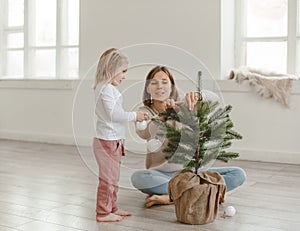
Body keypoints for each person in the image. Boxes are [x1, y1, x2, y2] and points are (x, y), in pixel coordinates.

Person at [131, 65, 247, 208]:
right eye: (154, 83)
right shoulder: (143, 111)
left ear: (172, 87)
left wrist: (198, 96)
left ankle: (173, 196)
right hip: (163, 175)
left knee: (238, 174)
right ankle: (202, 193)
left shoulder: (185, 105)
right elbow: (145, 132)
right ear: (148, 89)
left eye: (164, 82)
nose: (159, 86)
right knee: (139, 178)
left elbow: (214, 99)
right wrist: (163, 116)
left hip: (194, 173)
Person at [93, 48, 148, 222]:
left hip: (113, 141)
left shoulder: (106, 88)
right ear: (111, 69)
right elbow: (114, 115)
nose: (124, 76)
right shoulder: (106, 89)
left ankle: (112, 207)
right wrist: (135, 116)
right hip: (107, 142)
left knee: (113, 177)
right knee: (108, 179)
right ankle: (103, 213)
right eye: (123, 71)